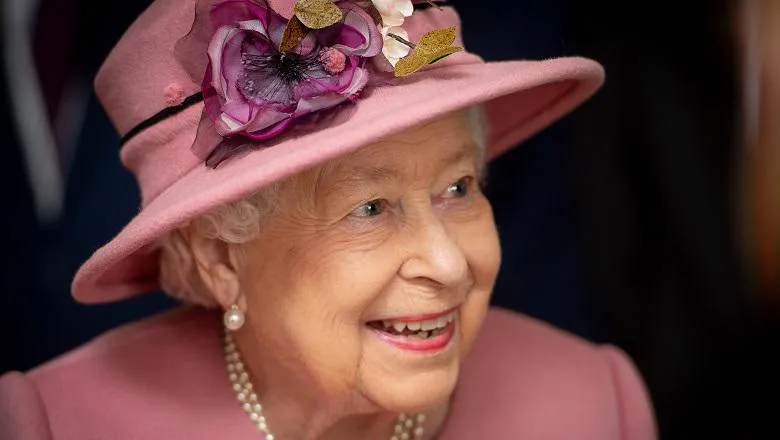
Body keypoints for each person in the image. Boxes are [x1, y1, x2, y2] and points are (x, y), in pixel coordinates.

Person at [0, 0, 657, 438]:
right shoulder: (56, 422)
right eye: (369, 208)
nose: (450, 264)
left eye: (458, 187)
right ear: (221, 259)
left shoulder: (594, 402)